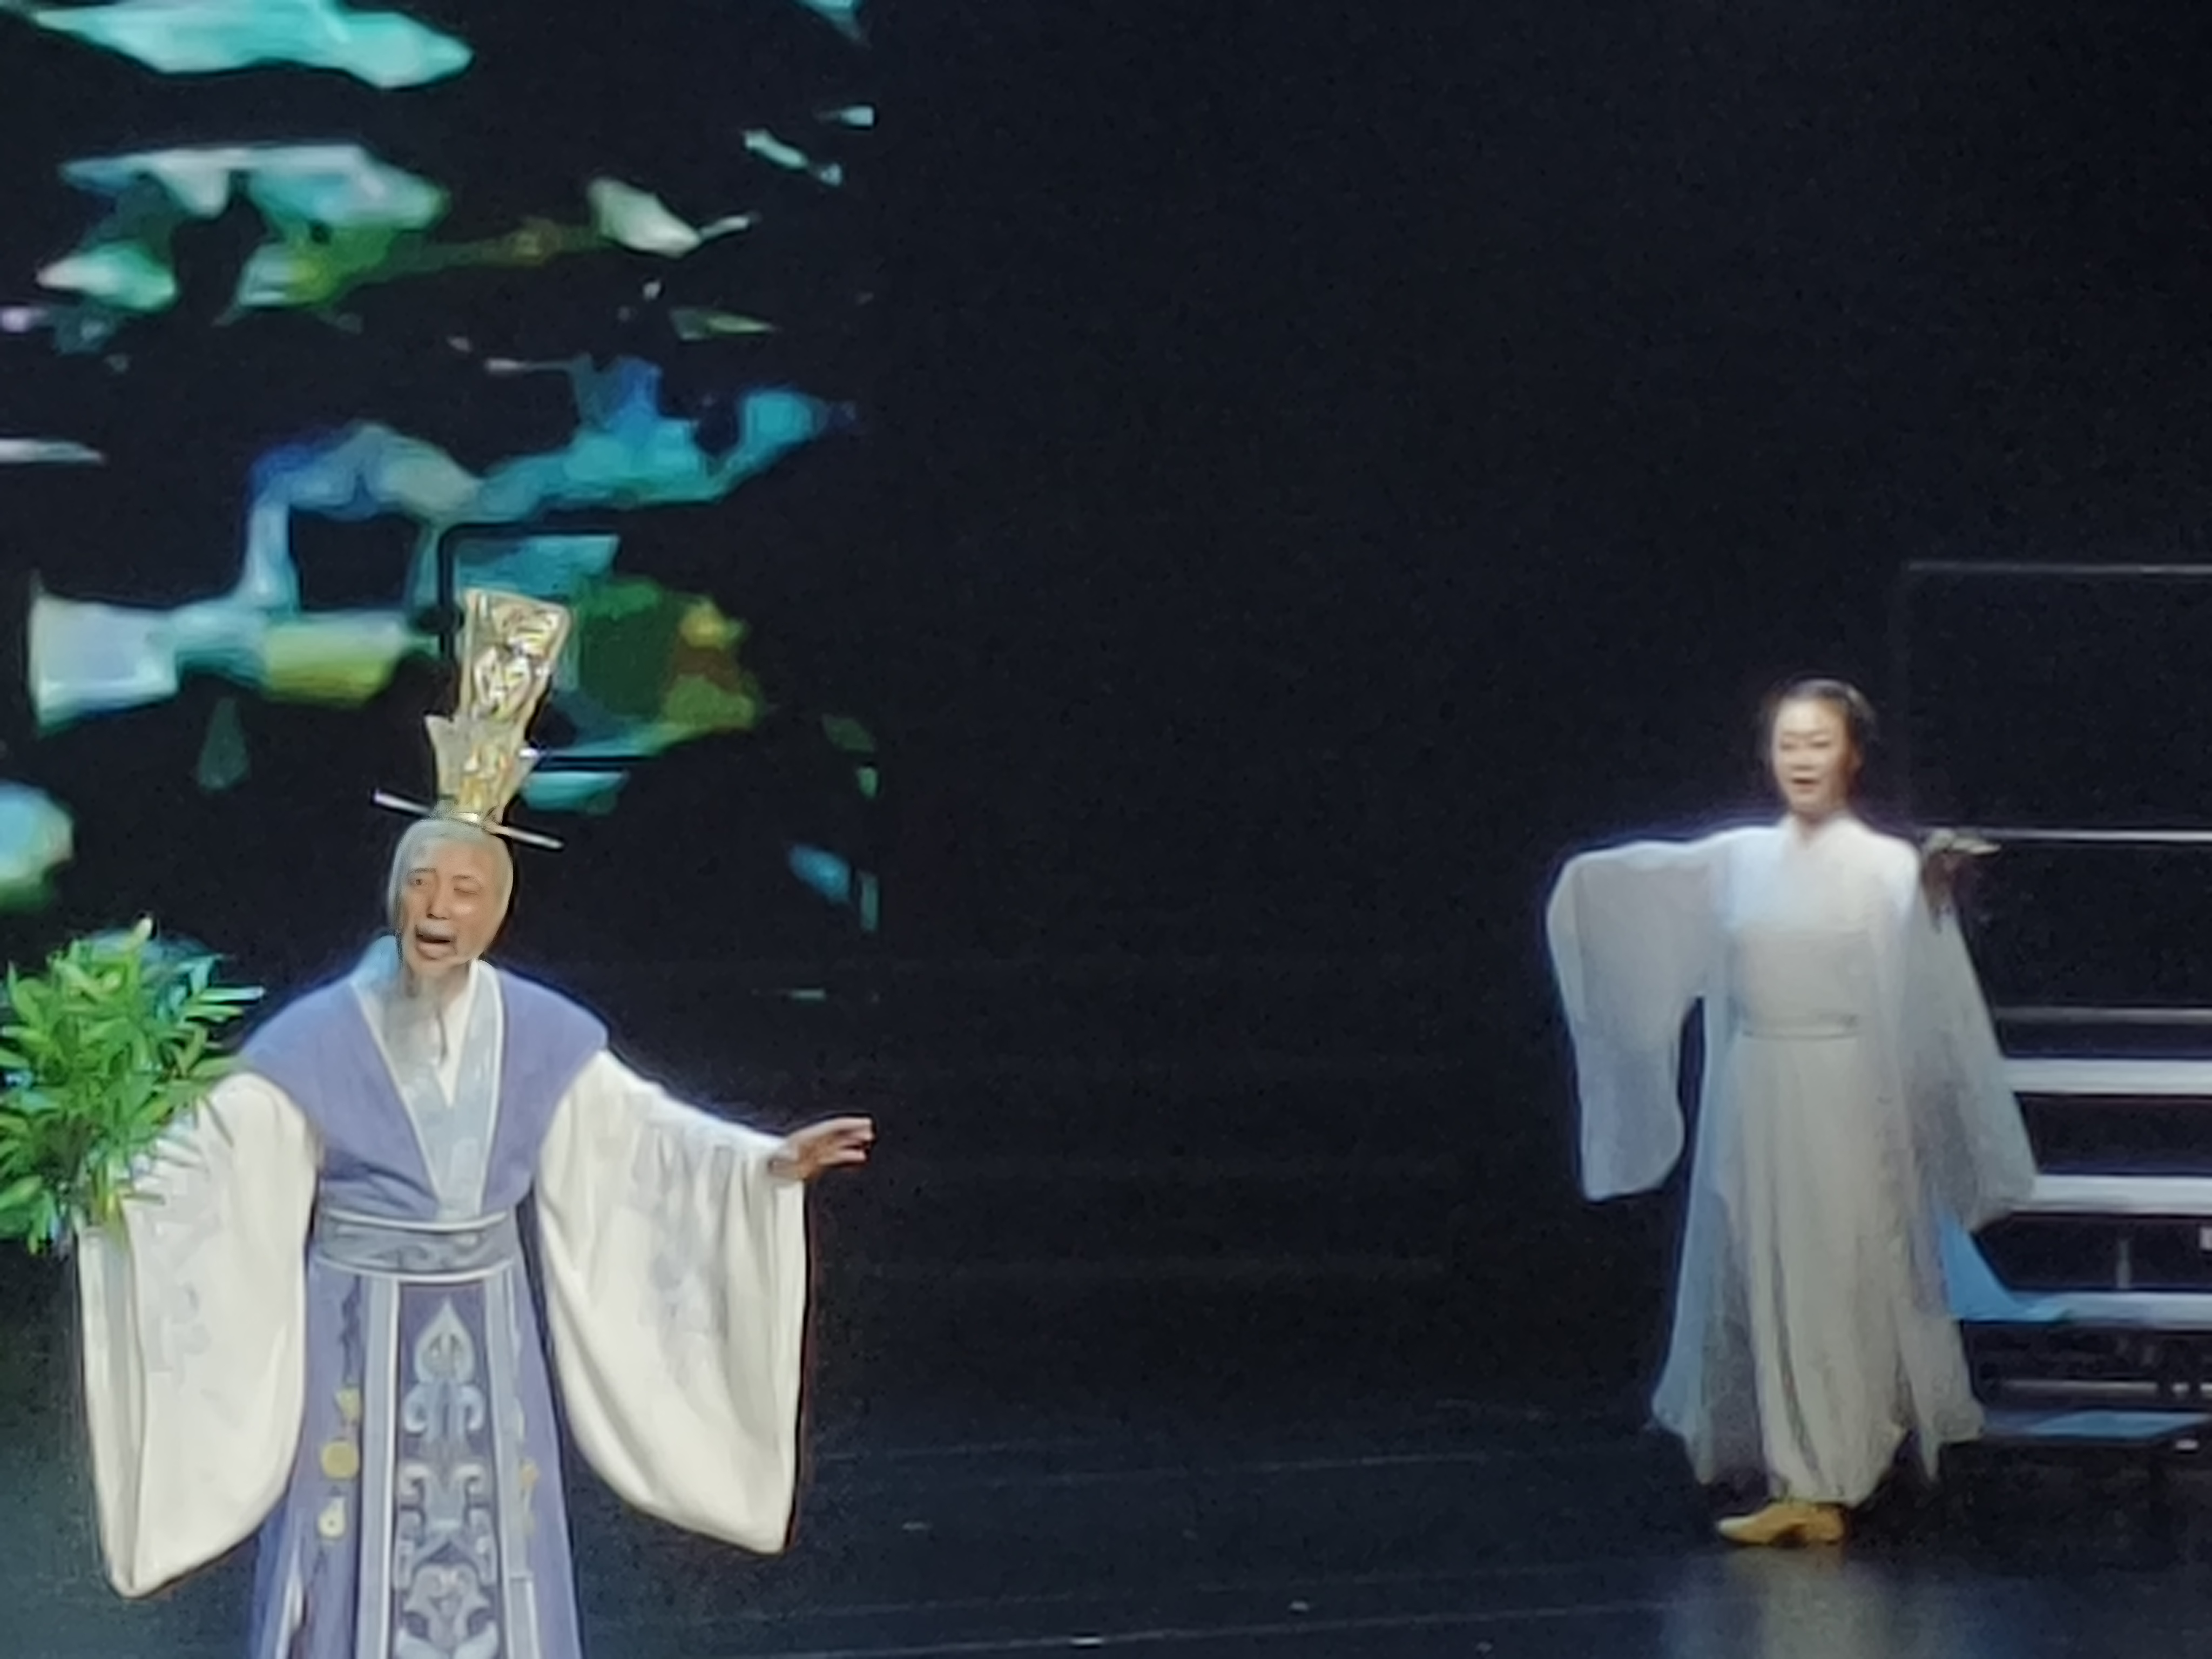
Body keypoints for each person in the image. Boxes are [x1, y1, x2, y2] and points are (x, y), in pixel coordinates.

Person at [71, 588, 874, 1655]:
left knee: (498, 1555)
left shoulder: (540, 1034)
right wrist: (107, 1177)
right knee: (350, 1548)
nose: (438, 910)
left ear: (498, 910)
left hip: (489, 1343)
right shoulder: (318, 1039)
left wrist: (764, 1166)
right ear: (393, 892)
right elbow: (220, 1161)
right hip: (356, 1338)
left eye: (464, 891)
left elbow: (640, 1141)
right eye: (422, 885)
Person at [1543, 677, 2035, 1547]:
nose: (1802, 759)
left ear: (1853, 755)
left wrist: (1934, 894)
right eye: (1788, 743)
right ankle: (1793, 1462)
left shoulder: (1884, 866)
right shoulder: (1738, 858)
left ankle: (1827, 1473)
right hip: (1755, 1084)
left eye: (1819, 742)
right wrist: (1576, 892)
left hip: (1842, 1089)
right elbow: (1627, 893)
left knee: (1833, 1270)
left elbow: (1928, 995)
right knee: (1762, 1262)